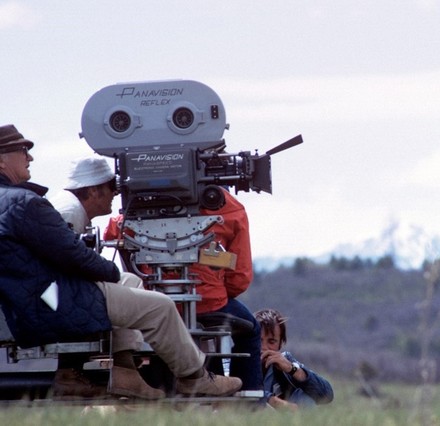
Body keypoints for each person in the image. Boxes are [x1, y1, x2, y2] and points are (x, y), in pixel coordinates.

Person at [0, 124, 243, 400]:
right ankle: (195, 379)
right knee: (160, 306)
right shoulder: (24, 203)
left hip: (37, 295)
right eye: (23, 151)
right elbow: (71, 255)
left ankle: (125, 371)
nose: (29, 157)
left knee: (132, 282)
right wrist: (110, 271)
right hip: (52, 299)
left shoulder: (14, 202)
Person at [103, 176, 263, 393]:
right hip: (209, 303)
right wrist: (211, 287)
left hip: (150, 303)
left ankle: (152, 387)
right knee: (251, 329)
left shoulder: (139, 202)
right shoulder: (229, 208)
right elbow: (239, 278)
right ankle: (249, 397)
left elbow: (113, 234)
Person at [49, 156, 160, 399]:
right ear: (93, 190)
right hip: (51, 294)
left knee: (127, 282)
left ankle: (124, 368)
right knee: (129, 286)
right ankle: (122, 370)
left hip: (52, 289)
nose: (114, 194)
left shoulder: (68, 207)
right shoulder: (69, 211)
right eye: (111, 188)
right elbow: (63, 263)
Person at [254, 308, 333, 411]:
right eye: (258, 340)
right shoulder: (239, 361)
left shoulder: (283, 361)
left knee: (305, 396)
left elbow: (326, 394)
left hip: (282, 417)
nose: (263, 347)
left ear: (280, 344)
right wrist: (275, 401)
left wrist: (292, 369)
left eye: (271, 342)